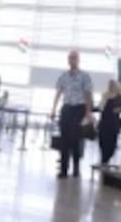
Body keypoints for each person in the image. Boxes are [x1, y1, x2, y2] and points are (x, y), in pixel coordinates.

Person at [50, 50, 93, 179]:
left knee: (75, 139)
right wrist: (53, 108)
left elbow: (88, 95)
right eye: (70, 58)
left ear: (78, 60)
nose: (72, 60)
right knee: (64, 139)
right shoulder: (63, 76)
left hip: (79, 109)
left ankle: (76, 167)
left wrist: (88, 112)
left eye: (74, 58)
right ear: (68, 60)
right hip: (67, 108)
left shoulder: (85, 76)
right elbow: (58, 92)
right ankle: (63, 169)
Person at [97, 79, 121, 167]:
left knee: (111, 143)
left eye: (112, 85)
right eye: (109, 85)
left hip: (113, 124)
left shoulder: (118, 97)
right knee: (102, 142)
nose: (110, 86)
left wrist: (119, 109)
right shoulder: (104, 95)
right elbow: (100, 108)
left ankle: (107, 159)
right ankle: (104, 160)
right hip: (103, 122)